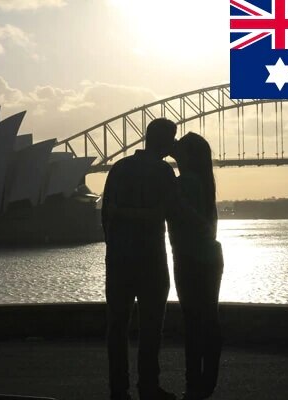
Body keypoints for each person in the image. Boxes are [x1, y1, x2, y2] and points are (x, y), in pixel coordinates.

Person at [101, 118, 180, 400]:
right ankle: (148, 385)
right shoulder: (163, 171)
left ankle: (118, 389)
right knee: (151, 328)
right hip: (151, 259)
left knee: (117, 326)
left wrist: (115, 245)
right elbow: (170, 213)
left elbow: (105, 213)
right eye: (172, 140)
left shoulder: (119, 168)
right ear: (164, 142)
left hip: (119, 258)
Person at [168, 132, 224, 400]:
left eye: (180, 144)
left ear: (189, 154)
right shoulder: (201, 181)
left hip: (191, 258)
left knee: (193, 323)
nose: (174, 145)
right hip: (209, 257)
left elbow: (183, 214)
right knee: (208, 320)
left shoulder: (185, 182)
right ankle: (205, 383)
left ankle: (194, 385)